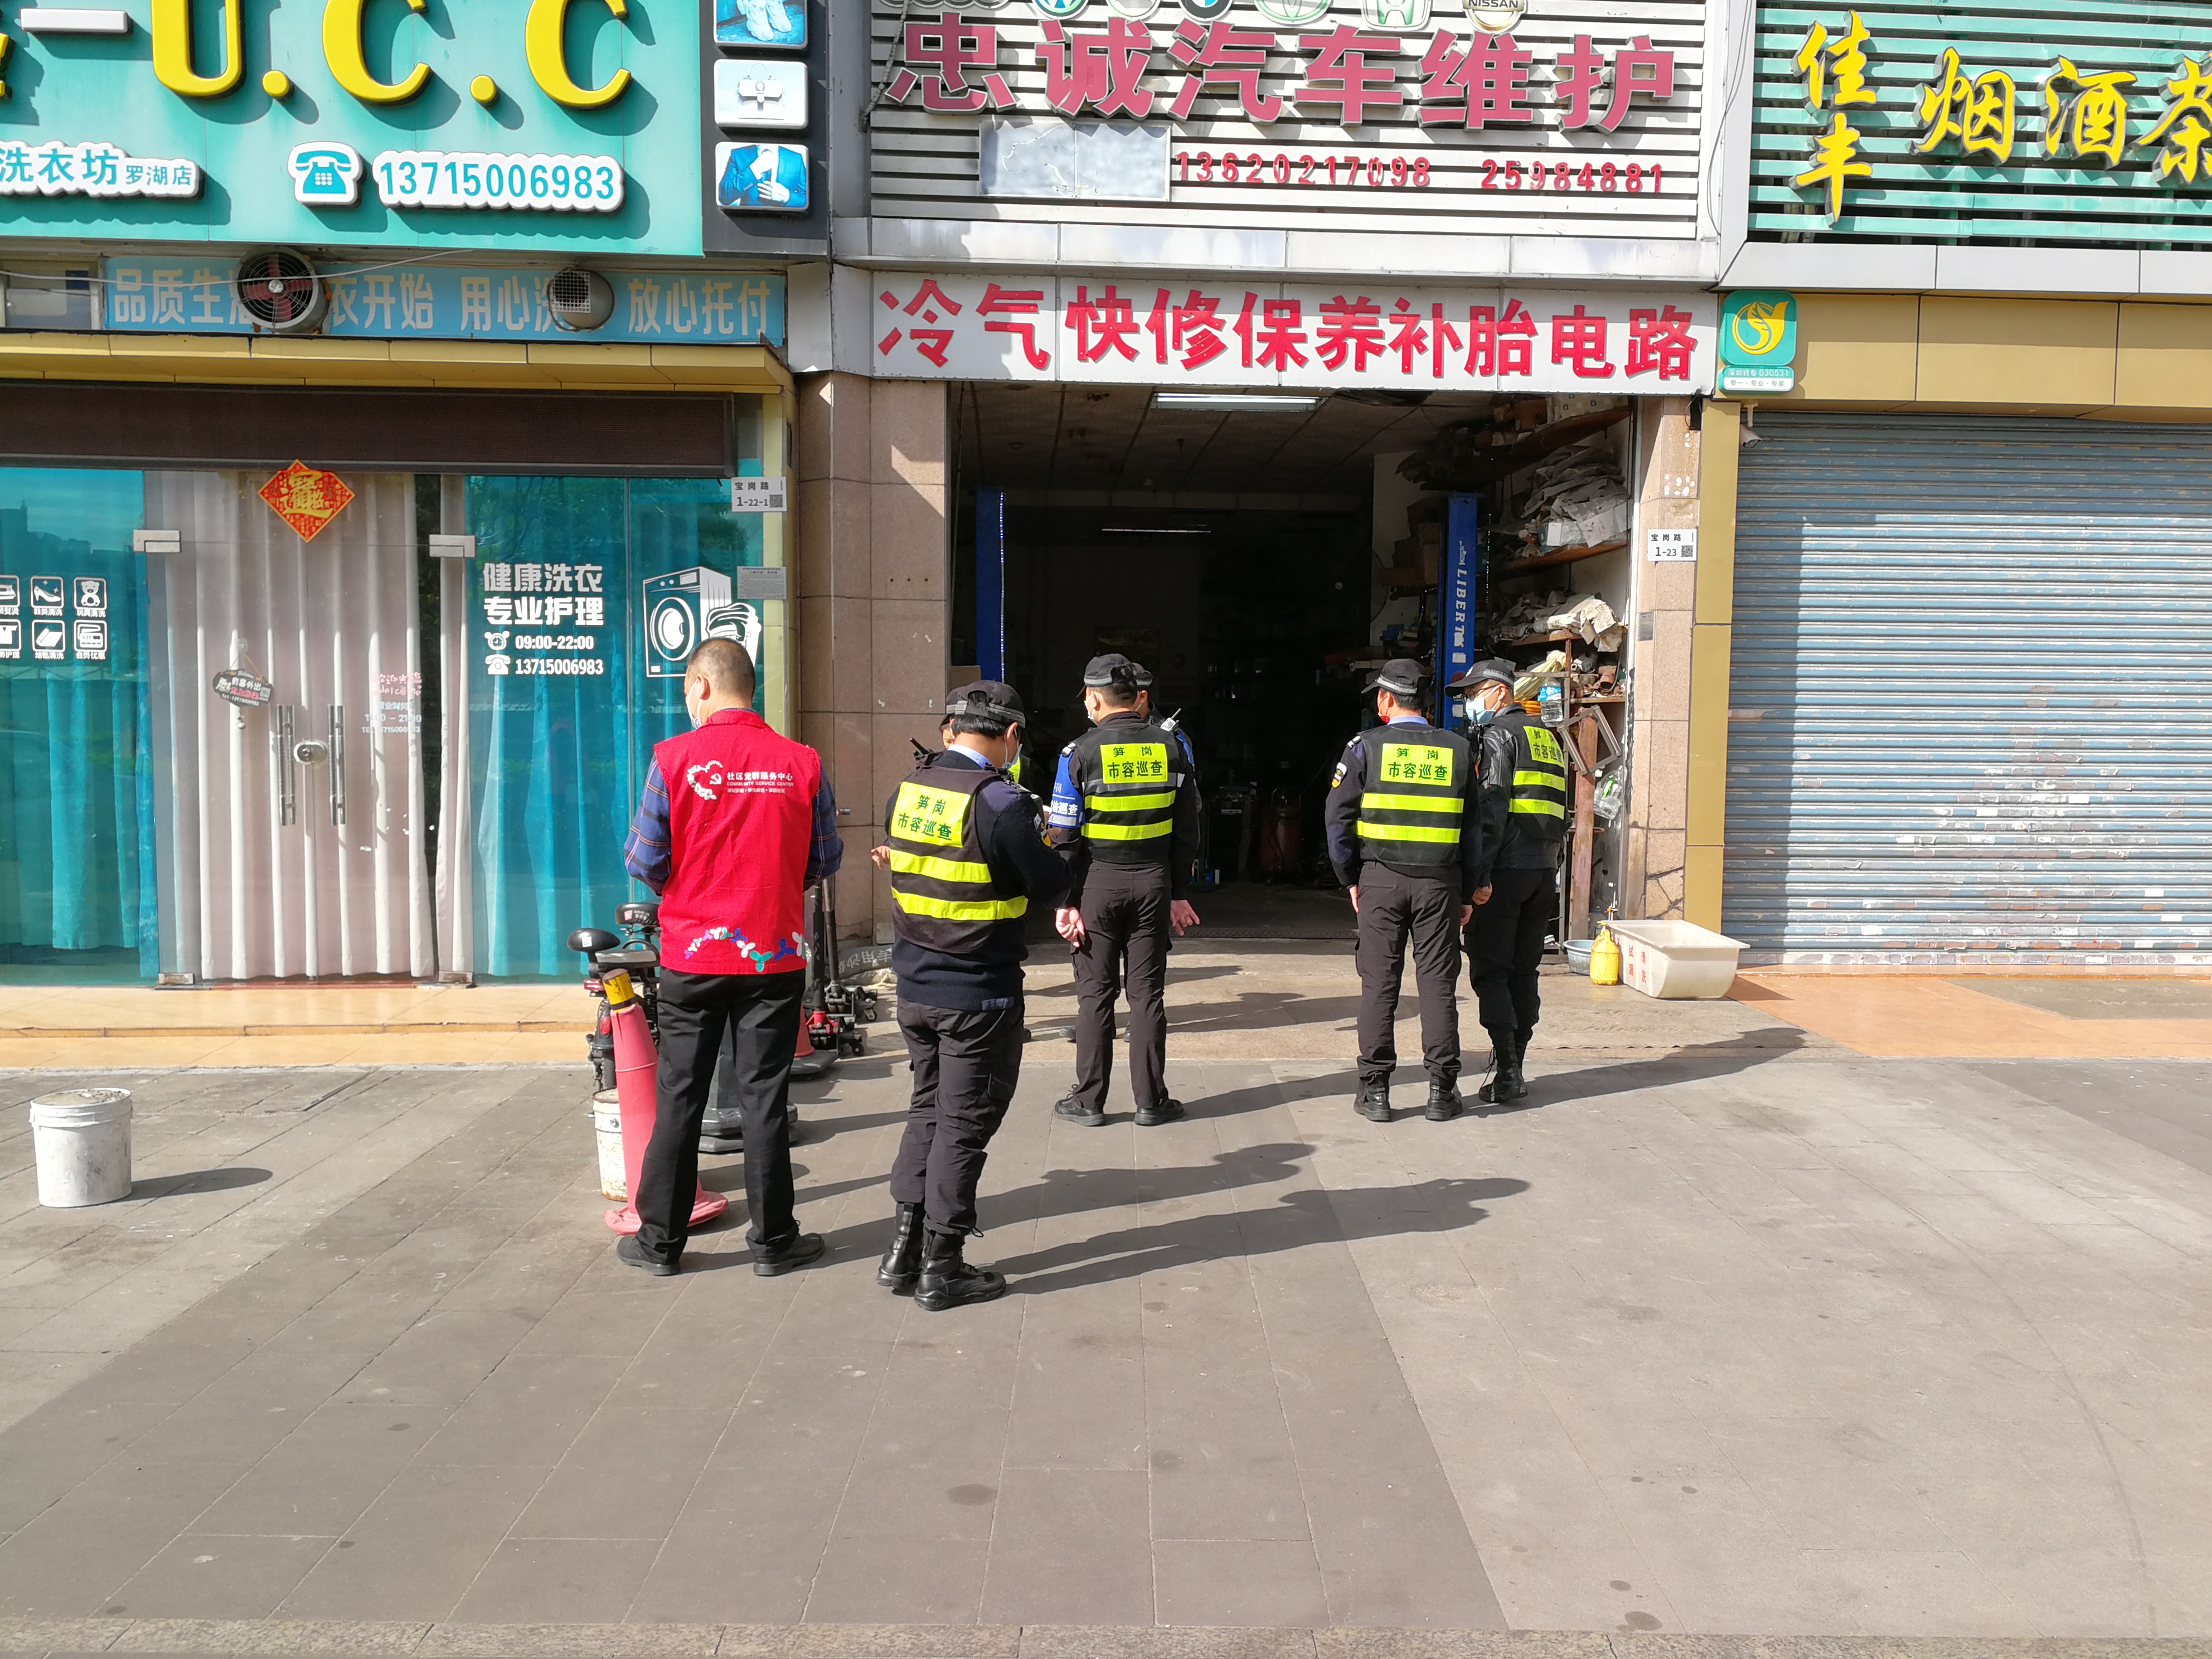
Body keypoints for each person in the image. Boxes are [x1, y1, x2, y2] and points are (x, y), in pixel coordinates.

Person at [619, 637, 841, 1278]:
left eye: (685, 690)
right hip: (771, 957)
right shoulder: (801, 762)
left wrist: (689, 890)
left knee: (679, 1096)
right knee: (763, 1098)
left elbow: (643, 859)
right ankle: (774, 1243)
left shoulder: (672, 759)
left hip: (690, 956)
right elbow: (824, 858)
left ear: (700, 686)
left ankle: (660, 1243)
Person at [872, 680, 1069, 1310]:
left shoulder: (907, 791)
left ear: (949, 731)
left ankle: (902, 1249)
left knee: (926, 1111)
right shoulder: (1003, 804)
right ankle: (943, 1265)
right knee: (963, 1125)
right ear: (1011, 736)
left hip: (915, 987)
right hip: (977, 995)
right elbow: (1050, 883)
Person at [1047, 653, 1202, 1128]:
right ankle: (1151, 1102)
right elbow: (1187, 829)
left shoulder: (1078, 754)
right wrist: (1178, 890)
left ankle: (1089, 1101)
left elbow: (1064, 836)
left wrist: (1066, 900)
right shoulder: (1172, 748)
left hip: (1098, 885)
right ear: (1138, 698)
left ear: (1095, 700)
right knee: (1147, 994)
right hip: (1154, 882)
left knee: (1095, 994)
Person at [1323, 658, 1480, 1124]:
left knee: (1379, 985)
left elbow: (1337, 820)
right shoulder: (1458, 749)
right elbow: (1474, 831)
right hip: (1440, 884)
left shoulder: (1364, 748)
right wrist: (1467, 891)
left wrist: (1350, 878)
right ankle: (1442, 1091)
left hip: (1380, 881)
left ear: (1386, 700)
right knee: (1438, 985)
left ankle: (1375, 1091)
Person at [1448, 657, 1568, 1105]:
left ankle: (1508, 1070)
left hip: (1506, 871)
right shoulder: (1547, 738)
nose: (1468, 702)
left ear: (1500, 692)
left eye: (1473, 693)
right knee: (1524, 970)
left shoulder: (1499, 735)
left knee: (1492, 970)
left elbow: (1493, 809)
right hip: (1543, 871)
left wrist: (1479, 877)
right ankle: (1515, 1062)